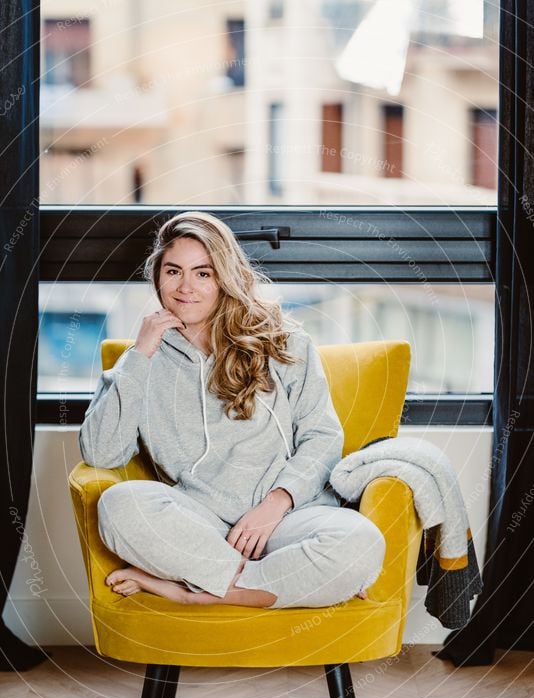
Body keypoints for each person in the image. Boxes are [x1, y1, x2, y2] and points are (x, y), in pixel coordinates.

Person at [79, 211, 386, 609]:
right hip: (200, 522)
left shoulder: (283, 340)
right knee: (119, 506)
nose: (186, 286)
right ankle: (266, 586)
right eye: (173, 271)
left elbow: (322, 436)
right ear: (157, 277)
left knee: (360, 543)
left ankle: (196, 593)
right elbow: (101, 452)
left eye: (203, 273)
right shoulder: (142, 359)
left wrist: (275, 504)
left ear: (224, 277)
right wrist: (138, 355)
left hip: (286, 518)